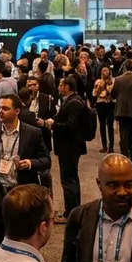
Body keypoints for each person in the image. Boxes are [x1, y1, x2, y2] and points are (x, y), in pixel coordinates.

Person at [0, 95, 51, 192]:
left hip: (22, 189)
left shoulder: (32, 133)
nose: (0, 111)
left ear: (17, 111)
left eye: (5, 109)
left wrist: (29, 163)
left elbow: (46, 160)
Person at [50, 75, 88, 219]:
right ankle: (71, 209)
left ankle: (72, 211)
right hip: (69, 146)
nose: (59, 87)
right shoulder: (72, 101)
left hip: (70, 146)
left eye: (61, 85)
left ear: (67, 87)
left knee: (69, 179)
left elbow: (71, 125)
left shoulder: (74, 103)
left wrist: (53, 125)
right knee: (70, 178)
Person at [93, 66, 115, 153]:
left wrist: (106, 87)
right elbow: (94, 93)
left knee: (110, 124)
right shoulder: (98, 81)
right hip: (100, 104)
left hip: (110, 104)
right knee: (102, 125)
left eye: (106, 71)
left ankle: (111, 146)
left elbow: (113, 91)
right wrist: (99, 88)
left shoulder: (113, 81)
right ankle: (104, 146)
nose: (104, 72)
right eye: (102, 71)